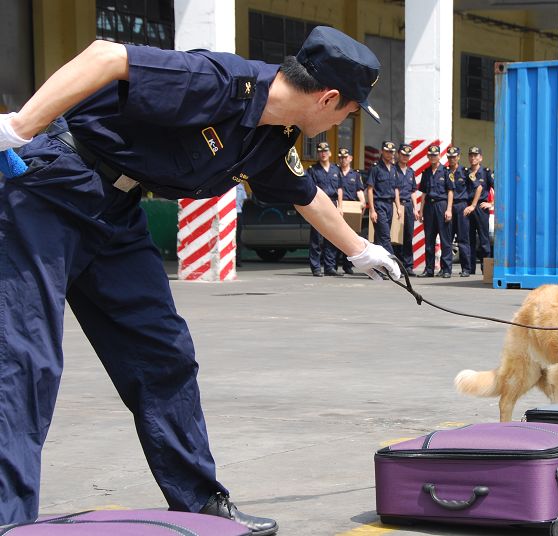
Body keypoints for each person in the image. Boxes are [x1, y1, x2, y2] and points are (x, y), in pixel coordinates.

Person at [0, 26, 399, 534]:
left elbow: (307, 194)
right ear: (328, 98)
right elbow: (104, 57)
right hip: (53, 185)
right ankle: (8, 520)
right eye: (349, 111)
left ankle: (199, 503)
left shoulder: (273, 136)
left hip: (116, 209)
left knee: (163, 353)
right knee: (25, 358)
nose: (346, 121)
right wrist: (18, 126)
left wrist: (362, 251)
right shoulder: (221, 81)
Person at [307, 141, 343, 276]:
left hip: (333, 204)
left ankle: (330, 267)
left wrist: (340, 206)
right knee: (317, 238)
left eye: (325, 151)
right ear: (318, 153)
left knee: (332, 236)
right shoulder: (313, 170)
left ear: (330, 153)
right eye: (321, 151)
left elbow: (340, 188)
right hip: (318, 205)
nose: (323, 154)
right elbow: (310, 189)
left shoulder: (335, 169)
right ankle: (316, 267)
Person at [417, 145, 454, 278]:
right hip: (429, 207)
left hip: (441, 205)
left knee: (445, 239)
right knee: (429, 239)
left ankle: (446, 269)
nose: (432, 157)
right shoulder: (426, 172)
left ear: (439, 156)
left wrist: (449, 209)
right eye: (430, 155)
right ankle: (429, 269)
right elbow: (424, 194)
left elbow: (450, 191)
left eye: (435, 155)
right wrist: (421, 211)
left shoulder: (446, 171)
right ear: (428, 156)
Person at [366, 140, 401, 254]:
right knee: (385, 237)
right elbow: (370, 190)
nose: (389, 154)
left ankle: (378, 267)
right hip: (379, 205)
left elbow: (395, 189)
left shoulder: (394, 169)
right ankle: (393, 265)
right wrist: (372, 210)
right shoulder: (376, 168)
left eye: (391, 152)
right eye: (387, 152)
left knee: (379, 238)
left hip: (389, 205)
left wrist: (398, 207)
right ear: (382, 151)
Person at [463, 145, 494, 275]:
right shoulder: (465, 172)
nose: (473, 158)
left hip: (481, 208)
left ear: (480, 158)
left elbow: (497, 187)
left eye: (476, 155)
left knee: (484, 240)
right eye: (471, 155)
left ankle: (485, 269)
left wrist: (491, 203)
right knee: (469, 239)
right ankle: (470, 268)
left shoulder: (486, 172)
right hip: (468, 207)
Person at [336, 147, 365, 274]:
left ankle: (348, 266)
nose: (343, 160)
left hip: (351, 208)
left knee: (350, 238)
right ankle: (333, 265)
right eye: (341, 157)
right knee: (336, 237)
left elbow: (359, 190)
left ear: (350, 158)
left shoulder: (356, 174)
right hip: (338, 208)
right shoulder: (335, 172)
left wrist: (363, 202)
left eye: (345, 157)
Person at [445, 146, 472, 277]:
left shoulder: (465, 171)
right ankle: (446, 269)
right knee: (447, 239)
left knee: (463, 239)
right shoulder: (444, 171)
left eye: (454, 157)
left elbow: (477, 187)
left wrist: (471, 205)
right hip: (448, 207)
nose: (451, 159)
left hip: (461, 207)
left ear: (458, 157)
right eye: (449, 157)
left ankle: (466, 268)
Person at [394, 143, 419, 275]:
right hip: (397, 206)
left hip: (408, 206)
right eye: (403, 154)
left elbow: (413, 191)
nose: (405, 157)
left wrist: (416, 208)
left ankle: (408, 266)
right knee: (396, 238)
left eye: (407, 155)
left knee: (408, 236)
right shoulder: (393, 170)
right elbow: (395, 190)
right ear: (398, 154)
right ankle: (398, 266)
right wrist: (398, 207)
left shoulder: (410, 172)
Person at [235, 182, 248, 267]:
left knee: (236, 237)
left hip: (235, 212)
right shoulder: (240, 186)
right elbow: (243, 200)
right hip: (238, 212)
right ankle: (238, 260)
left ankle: (237, 259)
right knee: (237, 237)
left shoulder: (226, 185)